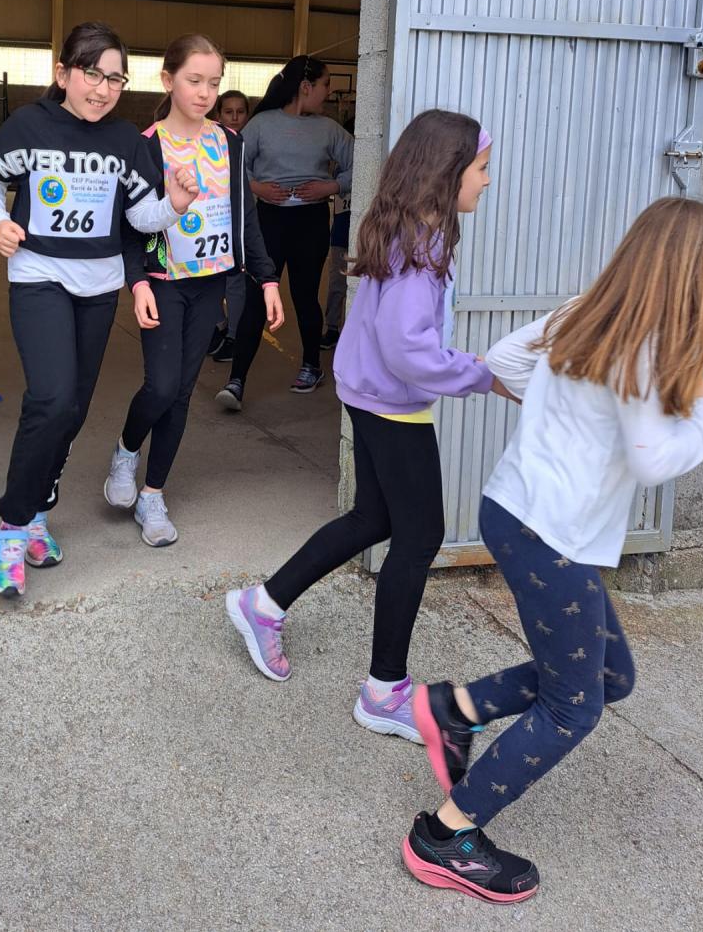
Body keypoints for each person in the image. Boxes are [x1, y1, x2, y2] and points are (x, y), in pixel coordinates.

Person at [404, 196, 703, 905]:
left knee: (610, 673)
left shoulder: (590, 312)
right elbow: (654, 459)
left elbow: (505, 359)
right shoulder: (644, 347)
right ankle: (445, 836)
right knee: (574, 708)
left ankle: (457, 707)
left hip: (518, 511)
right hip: (554, 537)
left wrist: (563, 420)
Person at [225, 110, 503, 736]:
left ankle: (263, 604)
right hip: (393, 403)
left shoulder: (404, 226)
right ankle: (384, 692)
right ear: (448, 172)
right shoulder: (423, 247)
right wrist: (482, 374)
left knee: (374, 519)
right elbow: (409, 348)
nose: (487, 181)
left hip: (371, 392)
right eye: (482, 169)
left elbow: (397, 337)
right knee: (420, 537)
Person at [0, 21, 198, 598]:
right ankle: (11, 528)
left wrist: (175, 204)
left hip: (98, 287)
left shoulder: (126, 141)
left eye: (115, 79)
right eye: (92, 75)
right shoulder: (31, 126)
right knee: (50, 399)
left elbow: (140, 217)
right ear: (63, 74)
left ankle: (37, 513)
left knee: (72, 409)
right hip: (39, 277)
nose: (103, 89)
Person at [105, 36, 283, 545]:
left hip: (211, 283)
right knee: (161, 387)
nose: (205, 92)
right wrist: (137, 281)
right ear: (168, 81)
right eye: (194, 80)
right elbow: (129, 224)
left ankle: (153, 495)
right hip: (164, 283)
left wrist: (267, 277)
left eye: (214, 83)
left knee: (182, 392)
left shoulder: (231, 143)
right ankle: (126, 450)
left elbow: (246, 216)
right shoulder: (146, 146)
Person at [215, 55, 354, 409]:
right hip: (268, 221)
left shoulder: (329, 129)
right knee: (256, 297)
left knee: (305, 296)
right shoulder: (261, 125)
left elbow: (362, 164)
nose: (328, 92)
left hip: (310, 221)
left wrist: (331, 186)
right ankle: (236, 381)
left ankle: (311, 366)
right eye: (324, 84)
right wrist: (256, 187)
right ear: (305, 87)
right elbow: (231, 166)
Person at [207, 90, 251, 364]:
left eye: (240, 112)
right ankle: (219, 325)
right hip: (213, 220)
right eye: (228, 112)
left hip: (241, 222)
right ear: (218, 115)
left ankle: (234, 335)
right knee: (210, 279)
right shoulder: (210, 141)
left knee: (235, 281)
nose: (235, 117)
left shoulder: (249, 142)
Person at [321, 113, 356, 350]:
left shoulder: (373, 166)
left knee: (359, 285)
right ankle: (332, 327)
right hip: (341, 234)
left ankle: (350, 331)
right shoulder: (339, 170)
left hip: (362, 236)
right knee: (337, 283)